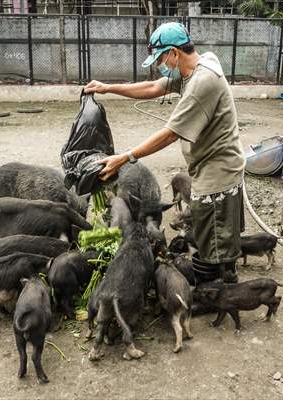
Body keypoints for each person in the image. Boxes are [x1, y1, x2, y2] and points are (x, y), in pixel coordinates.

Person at [84, 22, 245, 284]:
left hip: (217, 169)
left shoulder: (203, 82)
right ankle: (226, 276)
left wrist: (126, 157)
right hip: (212, 163)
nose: (160, 63)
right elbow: (154, 88)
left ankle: (214, 289)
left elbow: (171, 133)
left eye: (161, 58)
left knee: (209, 235)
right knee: (218, 231)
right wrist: (108, 87)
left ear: (174, 53)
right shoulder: (198, 64)